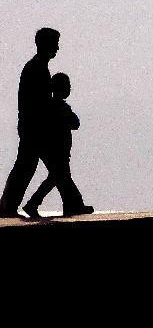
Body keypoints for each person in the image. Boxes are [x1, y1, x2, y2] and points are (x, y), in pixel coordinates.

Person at [0, 28, 88, 217]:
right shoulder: (36, 69)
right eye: (54, 43)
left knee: (46, 168)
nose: (57, 47)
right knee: (44, 168)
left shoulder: (38, 68)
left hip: (35, 128)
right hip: (35, 129)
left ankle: (71, 203)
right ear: (45, 44)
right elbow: (39, 103)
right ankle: (11, 206)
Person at [22, 73, 93, 219]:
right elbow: (75, 123)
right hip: (57, 151)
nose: (69, 89)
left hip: (55, 150)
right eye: (67, 86)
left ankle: (72, 205)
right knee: (58, 177)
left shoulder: (52, 106)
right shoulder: (59, 107)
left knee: (62, 178)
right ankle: (34, 203)